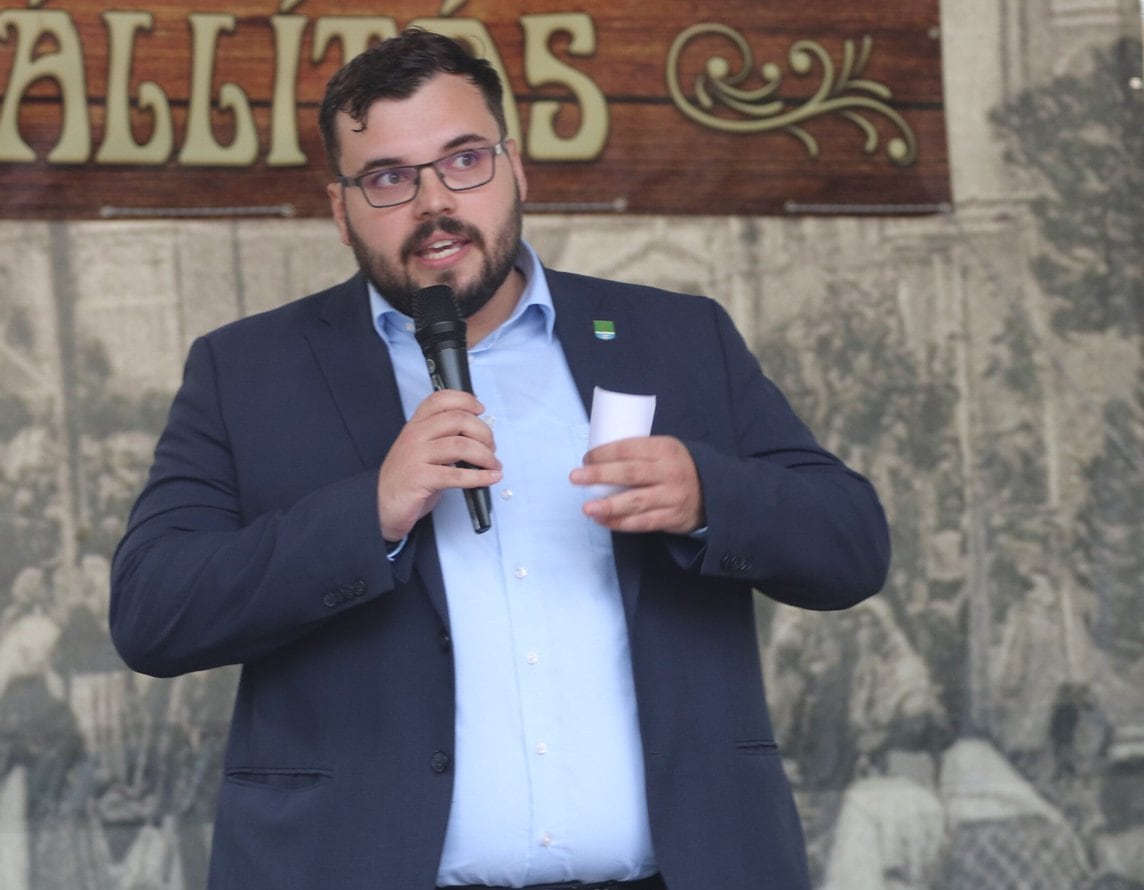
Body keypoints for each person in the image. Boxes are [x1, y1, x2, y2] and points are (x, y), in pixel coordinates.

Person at [110, 28, 890, 890]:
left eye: (464, 160)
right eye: (389, 177)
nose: (434, 202)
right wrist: (370, 512)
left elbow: (853, 546)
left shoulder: (677, 338)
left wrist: (711, 496)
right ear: (340, 209)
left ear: (515, 168)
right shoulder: (248, 371)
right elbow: (152, 612)